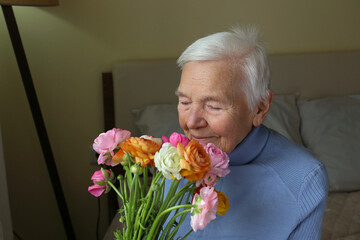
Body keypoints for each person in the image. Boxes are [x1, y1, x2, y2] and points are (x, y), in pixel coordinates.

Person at [172, 26, 329, 239]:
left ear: (260, 108)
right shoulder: (169, 161)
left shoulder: (303, 177)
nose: (191, 122)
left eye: (214, 106)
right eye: (185, 102)